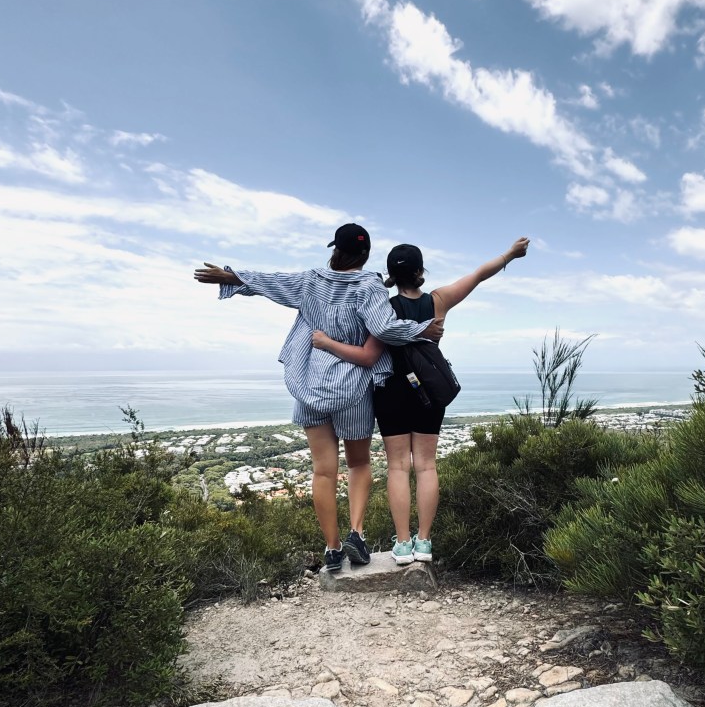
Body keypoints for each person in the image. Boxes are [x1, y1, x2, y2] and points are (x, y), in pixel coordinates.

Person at [194, 223, 444, 572]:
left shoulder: (311, 280)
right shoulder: (369, 286)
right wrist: (421, 329)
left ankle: (332, 547)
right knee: (358, 464)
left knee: (323, 471)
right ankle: (357, 532)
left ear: (335, 250)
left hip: (310, 386)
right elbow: (385, 328)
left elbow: (272, 282)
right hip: (352, 389)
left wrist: (232, 276)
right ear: (366, 255)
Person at [312, 236, 530, 564]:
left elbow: (368, 351)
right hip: (429, 391)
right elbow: (479, 274)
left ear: (390, 274)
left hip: (391, 393)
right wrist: (510, 255)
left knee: (398, 467)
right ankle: (424, 542)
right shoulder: (438, 301)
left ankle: (402, 544)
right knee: (427, 466)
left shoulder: (381, 306)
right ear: (419, 272)